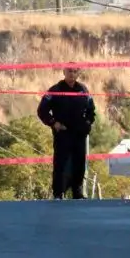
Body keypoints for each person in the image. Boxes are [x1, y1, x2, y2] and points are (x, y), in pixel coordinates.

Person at [37, 67, 96, 200]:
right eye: (69, 71)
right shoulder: (55, 90)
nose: (72, 74)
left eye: (75, 72)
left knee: (79, 163)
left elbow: (91, 110)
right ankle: (58, 193)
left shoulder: (83, 90)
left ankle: (78, 192)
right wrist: (53, 123)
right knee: (60, 163)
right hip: (62, 133)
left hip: (79, 133)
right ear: (64, 72)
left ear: (78, 74)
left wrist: (87, 123)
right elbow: (42, 110)